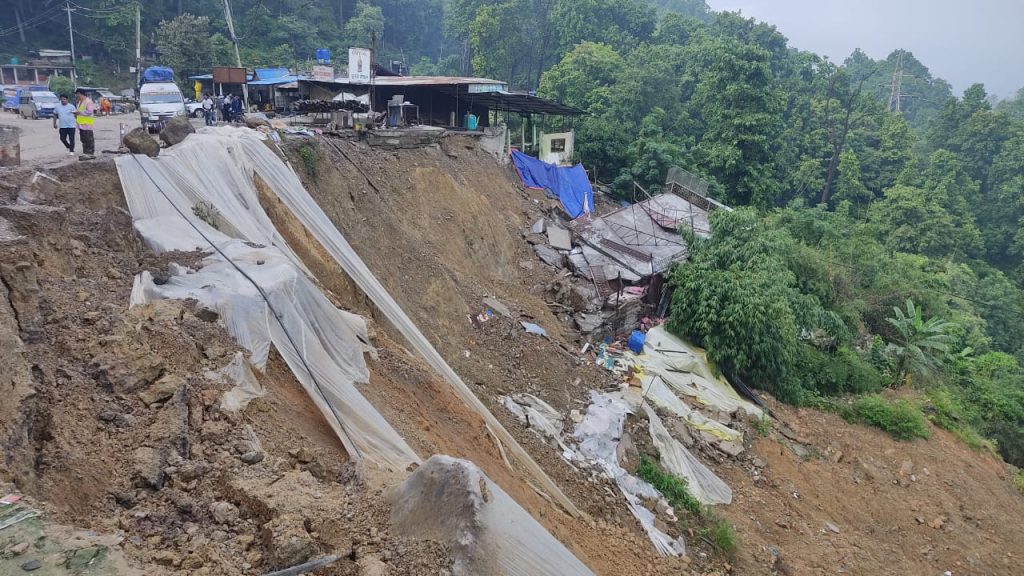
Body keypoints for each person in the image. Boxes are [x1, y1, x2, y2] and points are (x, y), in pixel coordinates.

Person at [72, 88, 96, 159]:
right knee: (83, 139)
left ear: (80, 94)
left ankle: (90, 153)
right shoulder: (79, 102)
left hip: (87, 124)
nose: (76, 95)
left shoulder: (88, 101)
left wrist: (79, 112)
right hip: (81, 124)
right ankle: (85, 153)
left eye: (77, 94)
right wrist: (76, 114)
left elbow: (89, 112)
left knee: (89, 139)